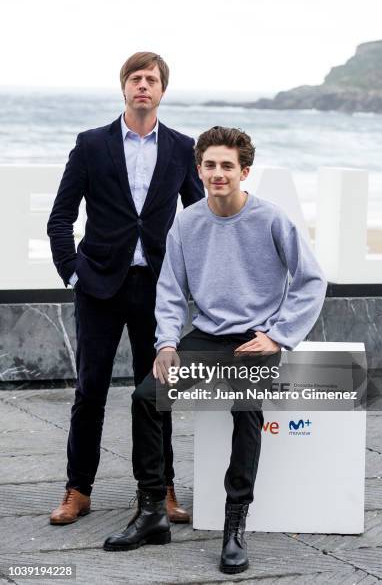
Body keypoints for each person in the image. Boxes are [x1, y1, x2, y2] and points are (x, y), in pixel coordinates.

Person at [104, 126, 328, 574]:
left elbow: (310, 280)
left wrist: (279, 335)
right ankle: (152, 512)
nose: (218, 173)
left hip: (255, 340)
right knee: (146, 398)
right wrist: (167, 342)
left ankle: (234, 525)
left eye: (227, 165)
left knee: (246, 410)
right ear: (199, 169)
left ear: (244, 171)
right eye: (210, 165)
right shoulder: (187, 222)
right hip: (205, 337)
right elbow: (169, 290)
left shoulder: (271, 219)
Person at [47, 51, 204, 526]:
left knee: (157, 392)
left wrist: (196, 278)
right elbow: (60, 217)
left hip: (158, 290)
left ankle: (159, 489)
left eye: (151, 79)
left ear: (162, 90)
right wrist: (73, 271)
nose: (143, 85)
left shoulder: (181, 147)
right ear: (123, 87)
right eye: (135, 77)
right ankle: (78, 490)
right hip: (98, 287)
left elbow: (199, 220)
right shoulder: (92, 144)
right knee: (89, 390)